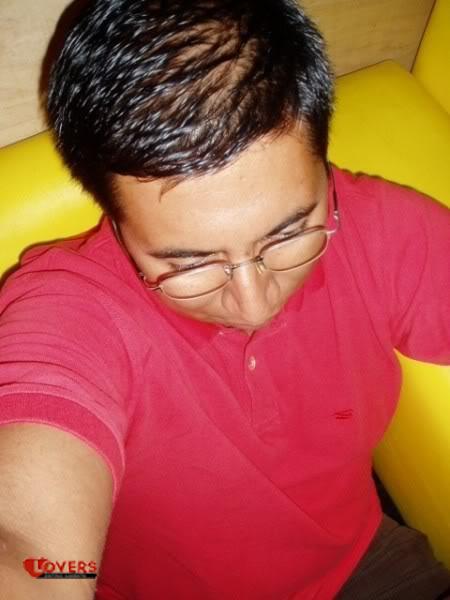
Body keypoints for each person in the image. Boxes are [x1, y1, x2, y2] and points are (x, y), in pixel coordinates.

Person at [0, 0, 449, 598]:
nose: (253, 302)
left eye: (289, 234)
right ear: (112, 213)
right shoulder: (68, 309)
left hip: (359, 564)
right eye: (190, 264)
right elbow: (27, 550)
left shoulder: (382, 228)